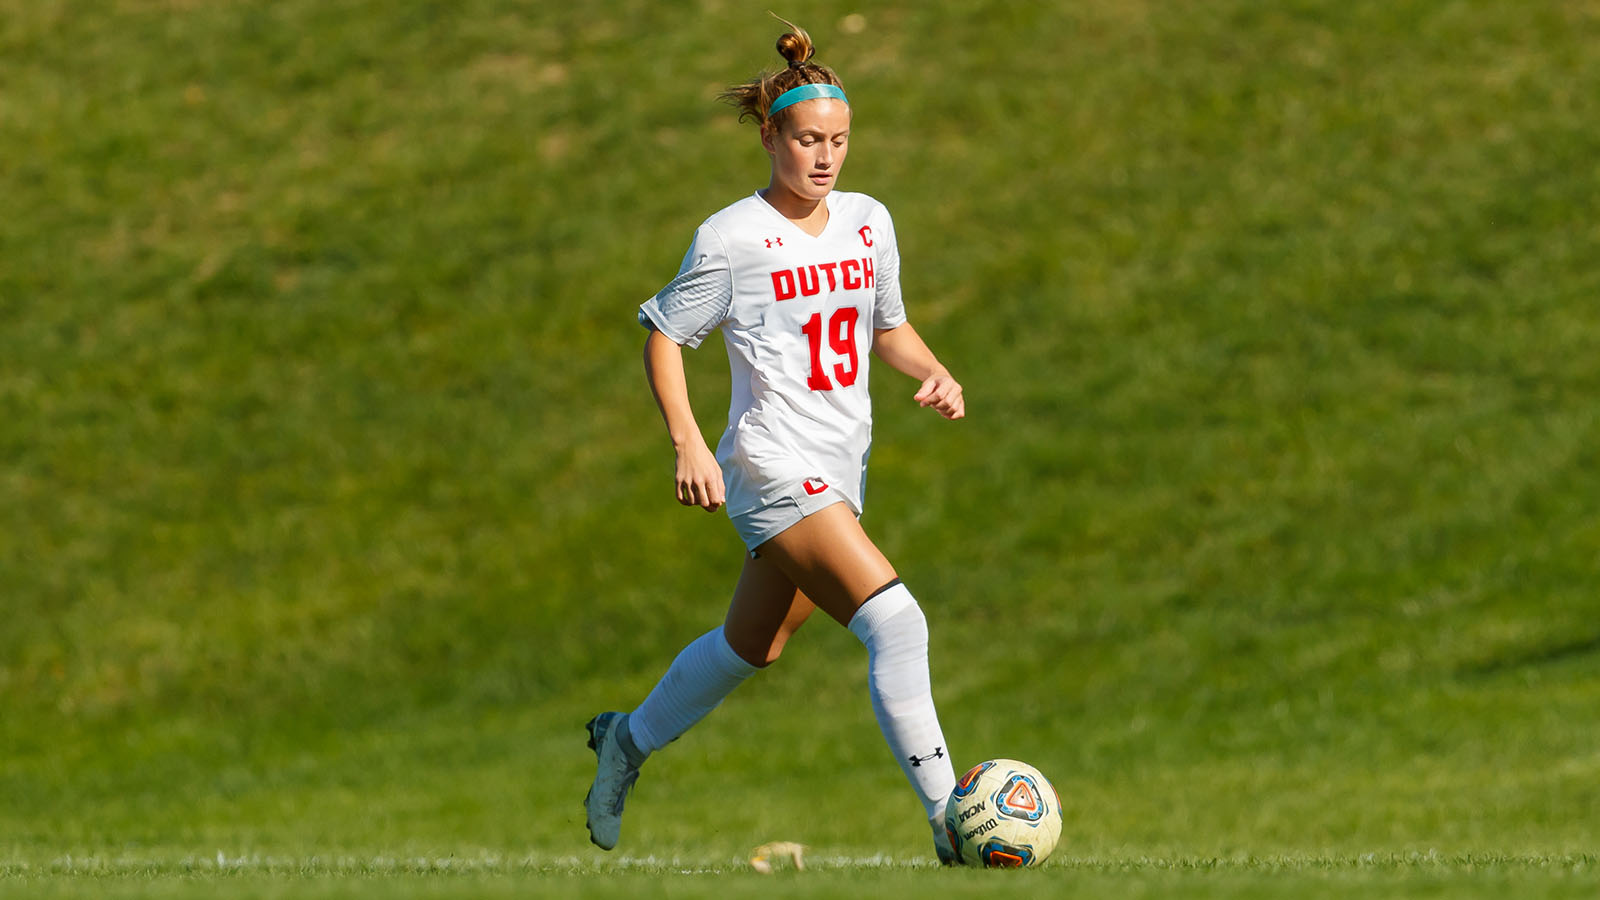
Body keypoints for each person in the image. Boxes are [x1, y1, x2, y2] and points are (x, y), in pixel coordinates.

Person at [585, 18, 966, 864]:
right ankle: (951, 819)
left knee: (750, 647)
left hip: (839, 467)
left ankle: (627, 742)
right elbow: (663, 335)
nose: (824, 157)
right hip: (770, 464)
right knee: (896, 624)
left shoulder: (870, 223)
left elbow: (887, 327)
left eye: (837, 141)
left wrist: (932, 371)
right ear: (770, 136)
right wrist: (687, 442)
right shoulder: (732, 237)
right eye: (806, 140)